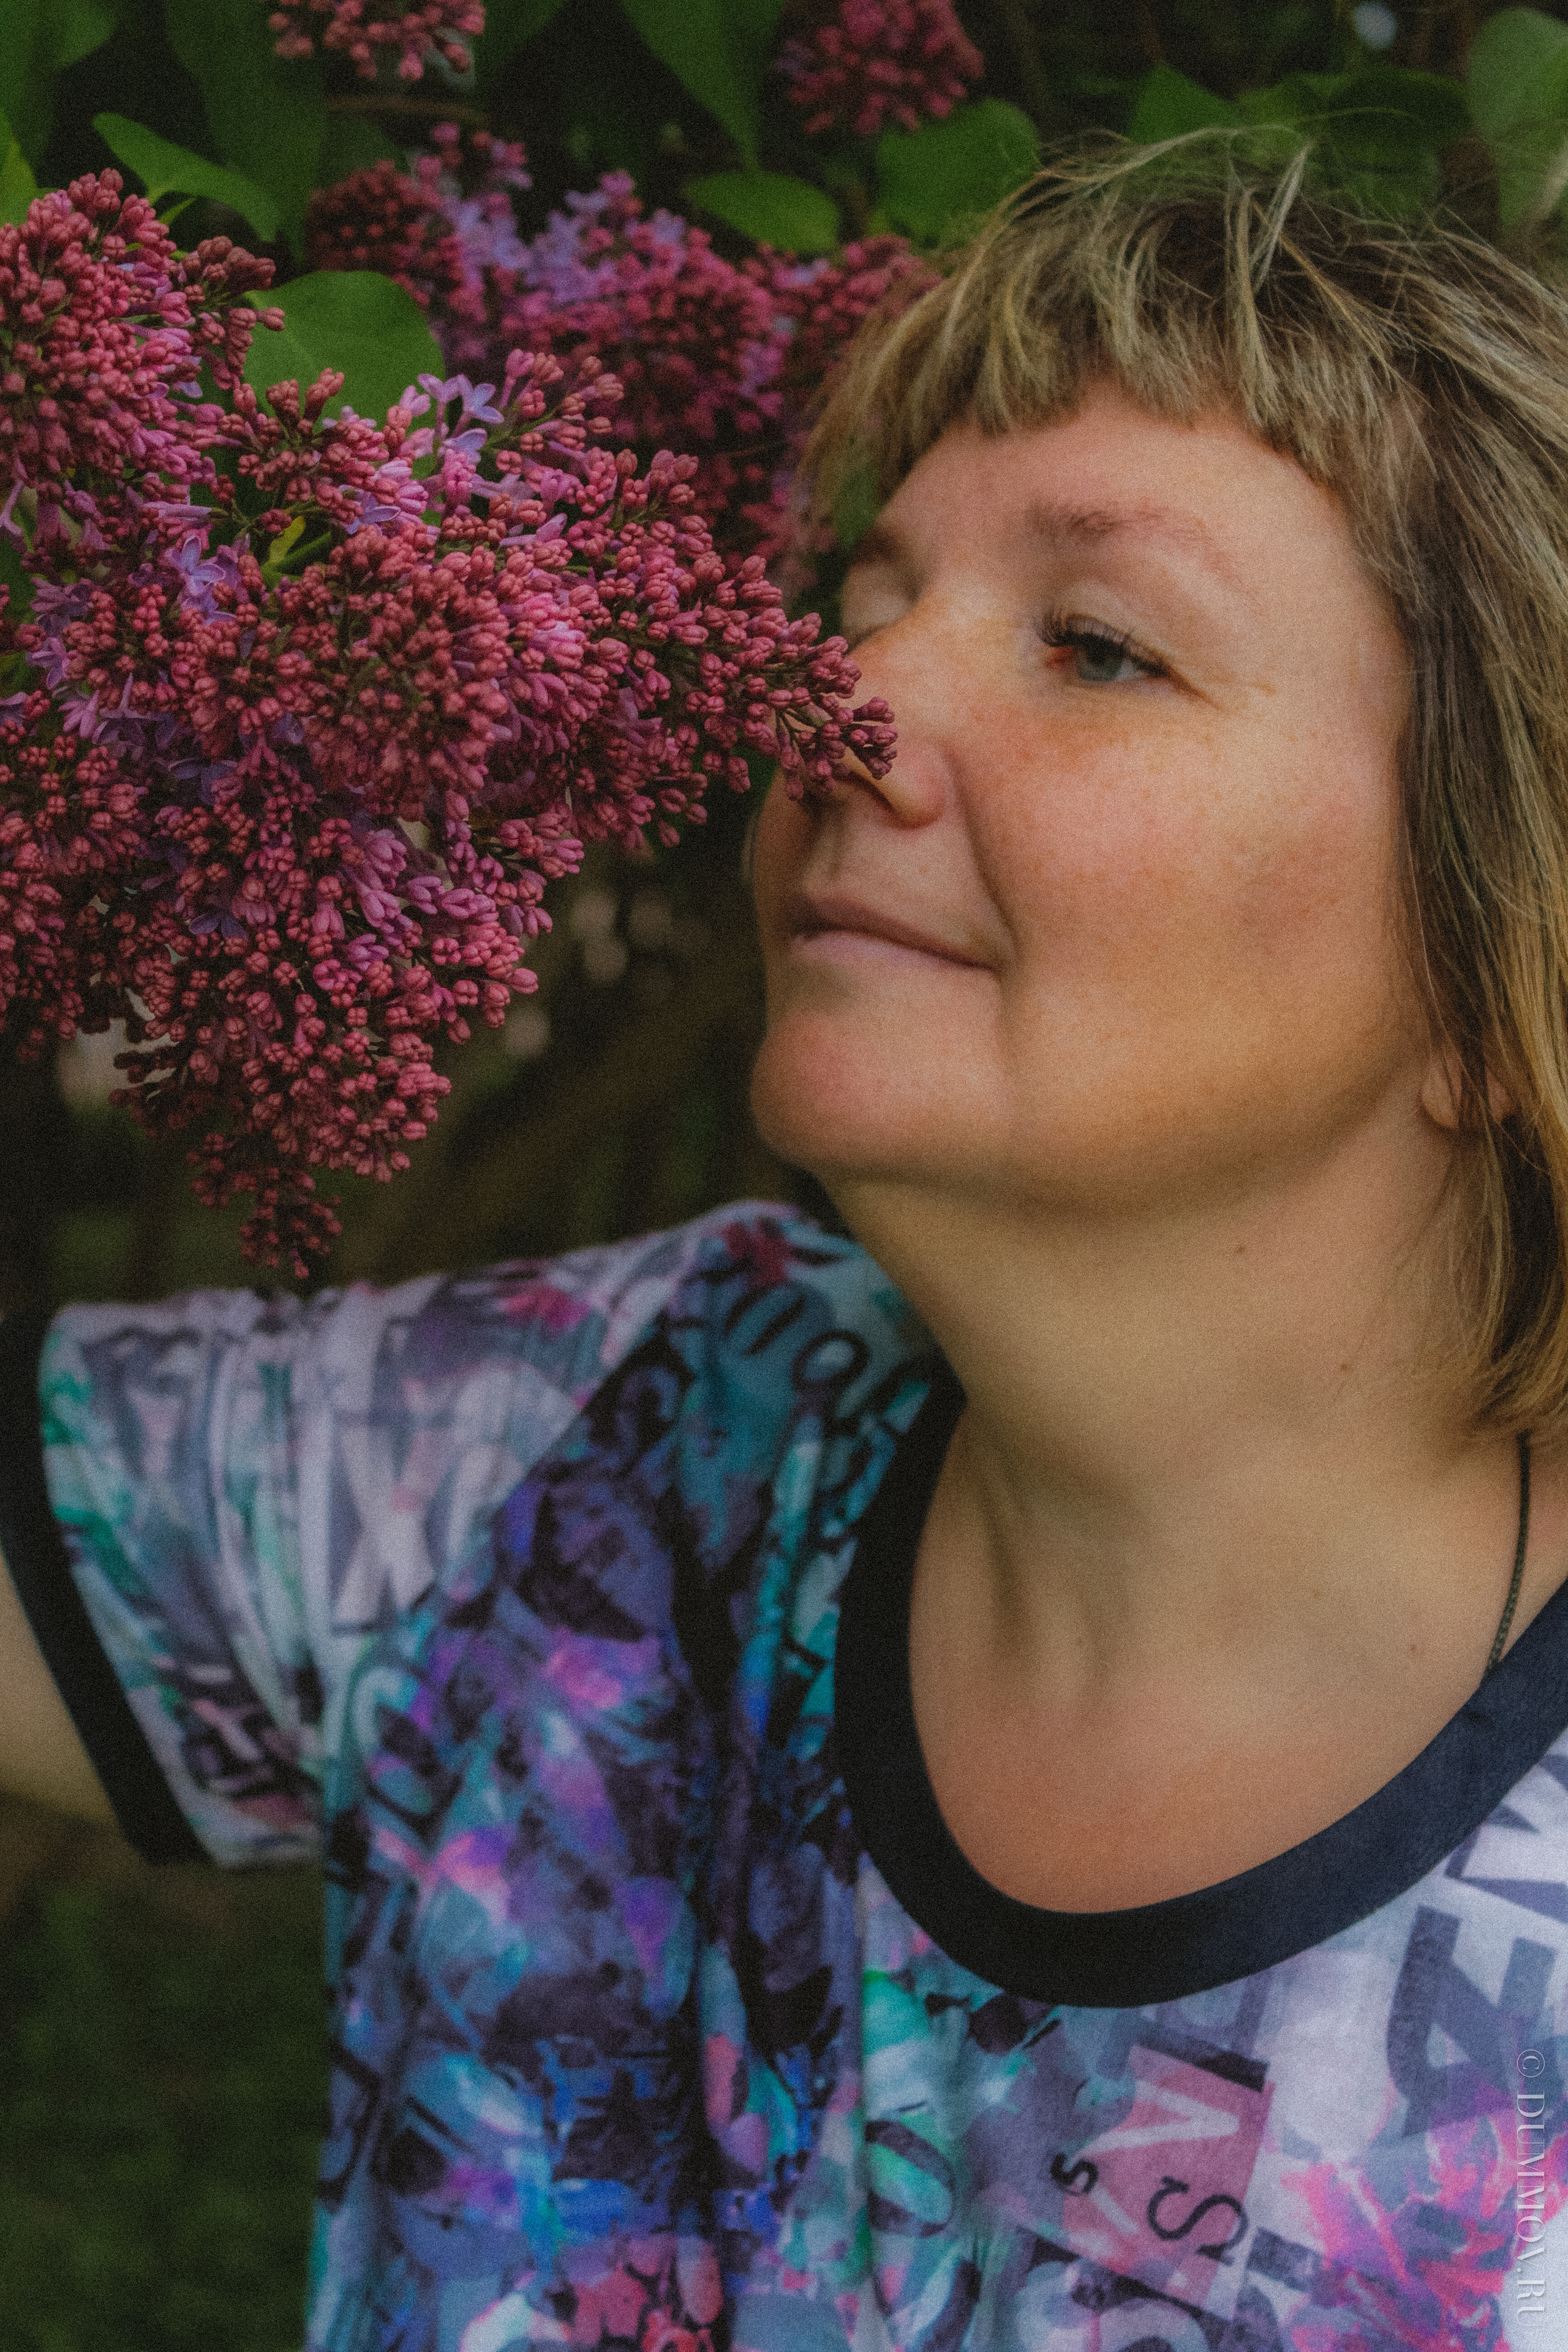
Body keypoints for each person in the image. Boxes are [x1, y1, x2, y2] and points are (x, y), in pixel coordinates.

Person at [0, 141, 1564, 2352]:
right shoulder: (592, 1445)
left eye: (1099, 646)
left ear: (1500, 957)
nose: (841, 716)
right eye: (855, 601)